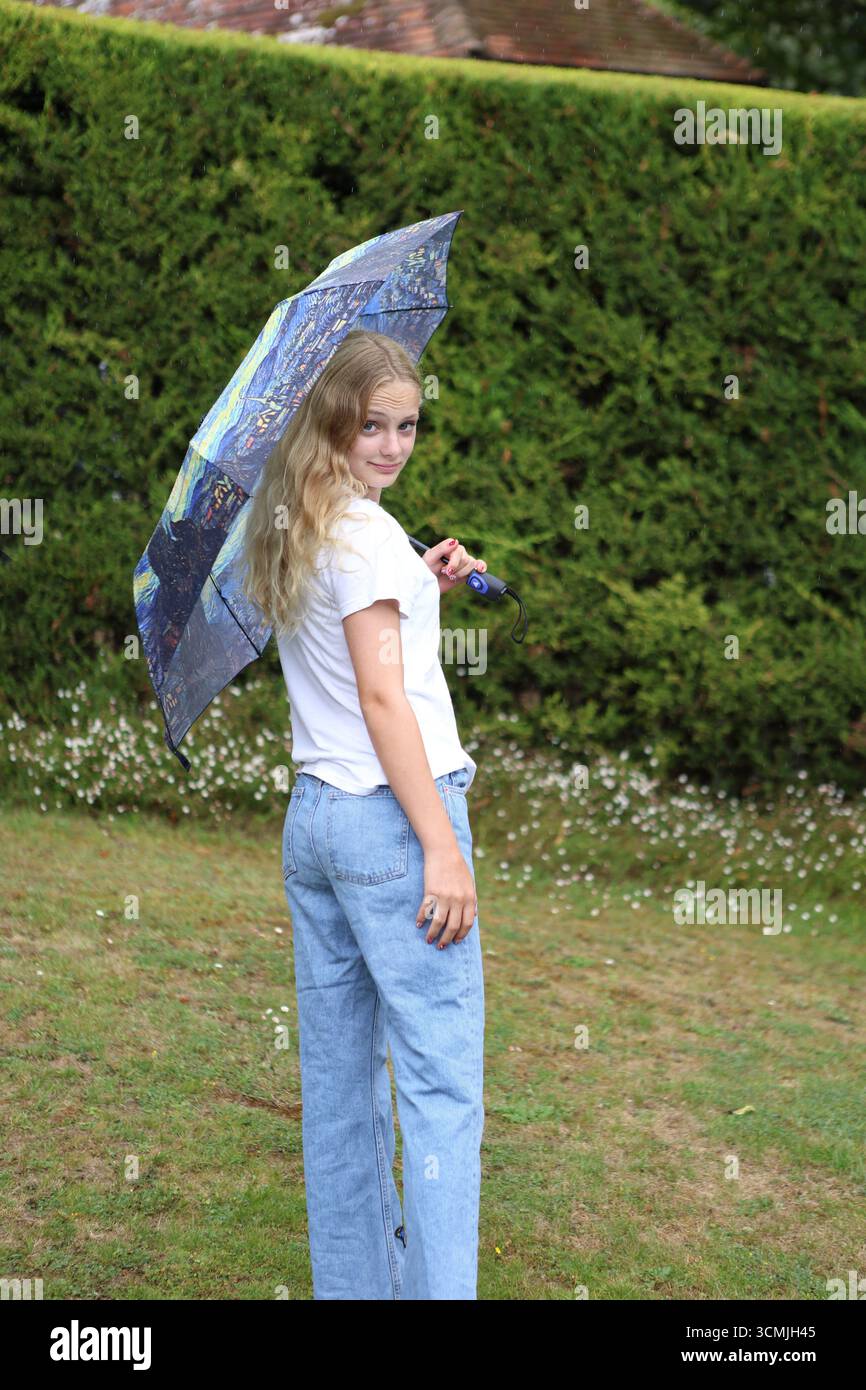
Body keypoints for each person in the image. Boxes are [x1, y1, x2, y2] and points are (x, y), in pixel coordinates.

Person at [241, 328, 487, 1300]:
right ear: (331, 421)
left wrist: (416, 592)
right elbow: (384, 703)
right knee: (437, 1089)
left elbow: (361, 663)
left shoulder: (297, 524)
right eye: (369, 425)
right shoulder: (367, 537)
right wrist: (440, 847)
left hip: (317, 826)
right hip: (393, 823)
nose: (390, 445)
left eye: (406, 426)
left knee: (342, 1089)